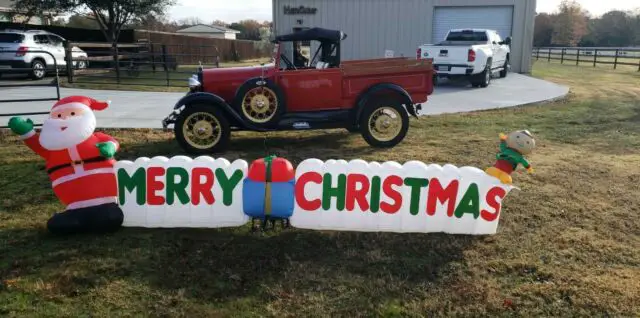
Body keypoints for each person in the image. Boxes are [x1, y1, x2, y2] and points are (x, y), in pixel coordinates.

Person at [8, 96, 124, 235]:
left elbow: (112, 142)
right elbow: (39, 145)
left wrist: (110, 147)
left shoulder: (97, 137)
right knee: (57, 225)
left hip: (106, 197)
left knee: (109, 217)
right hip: (74, 202)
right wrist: (27, 132)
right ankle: (76, 217)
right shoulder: (52, 145)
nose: (64, 119)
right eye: (58, 116)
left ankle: (109, 213)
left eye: (72, 114)